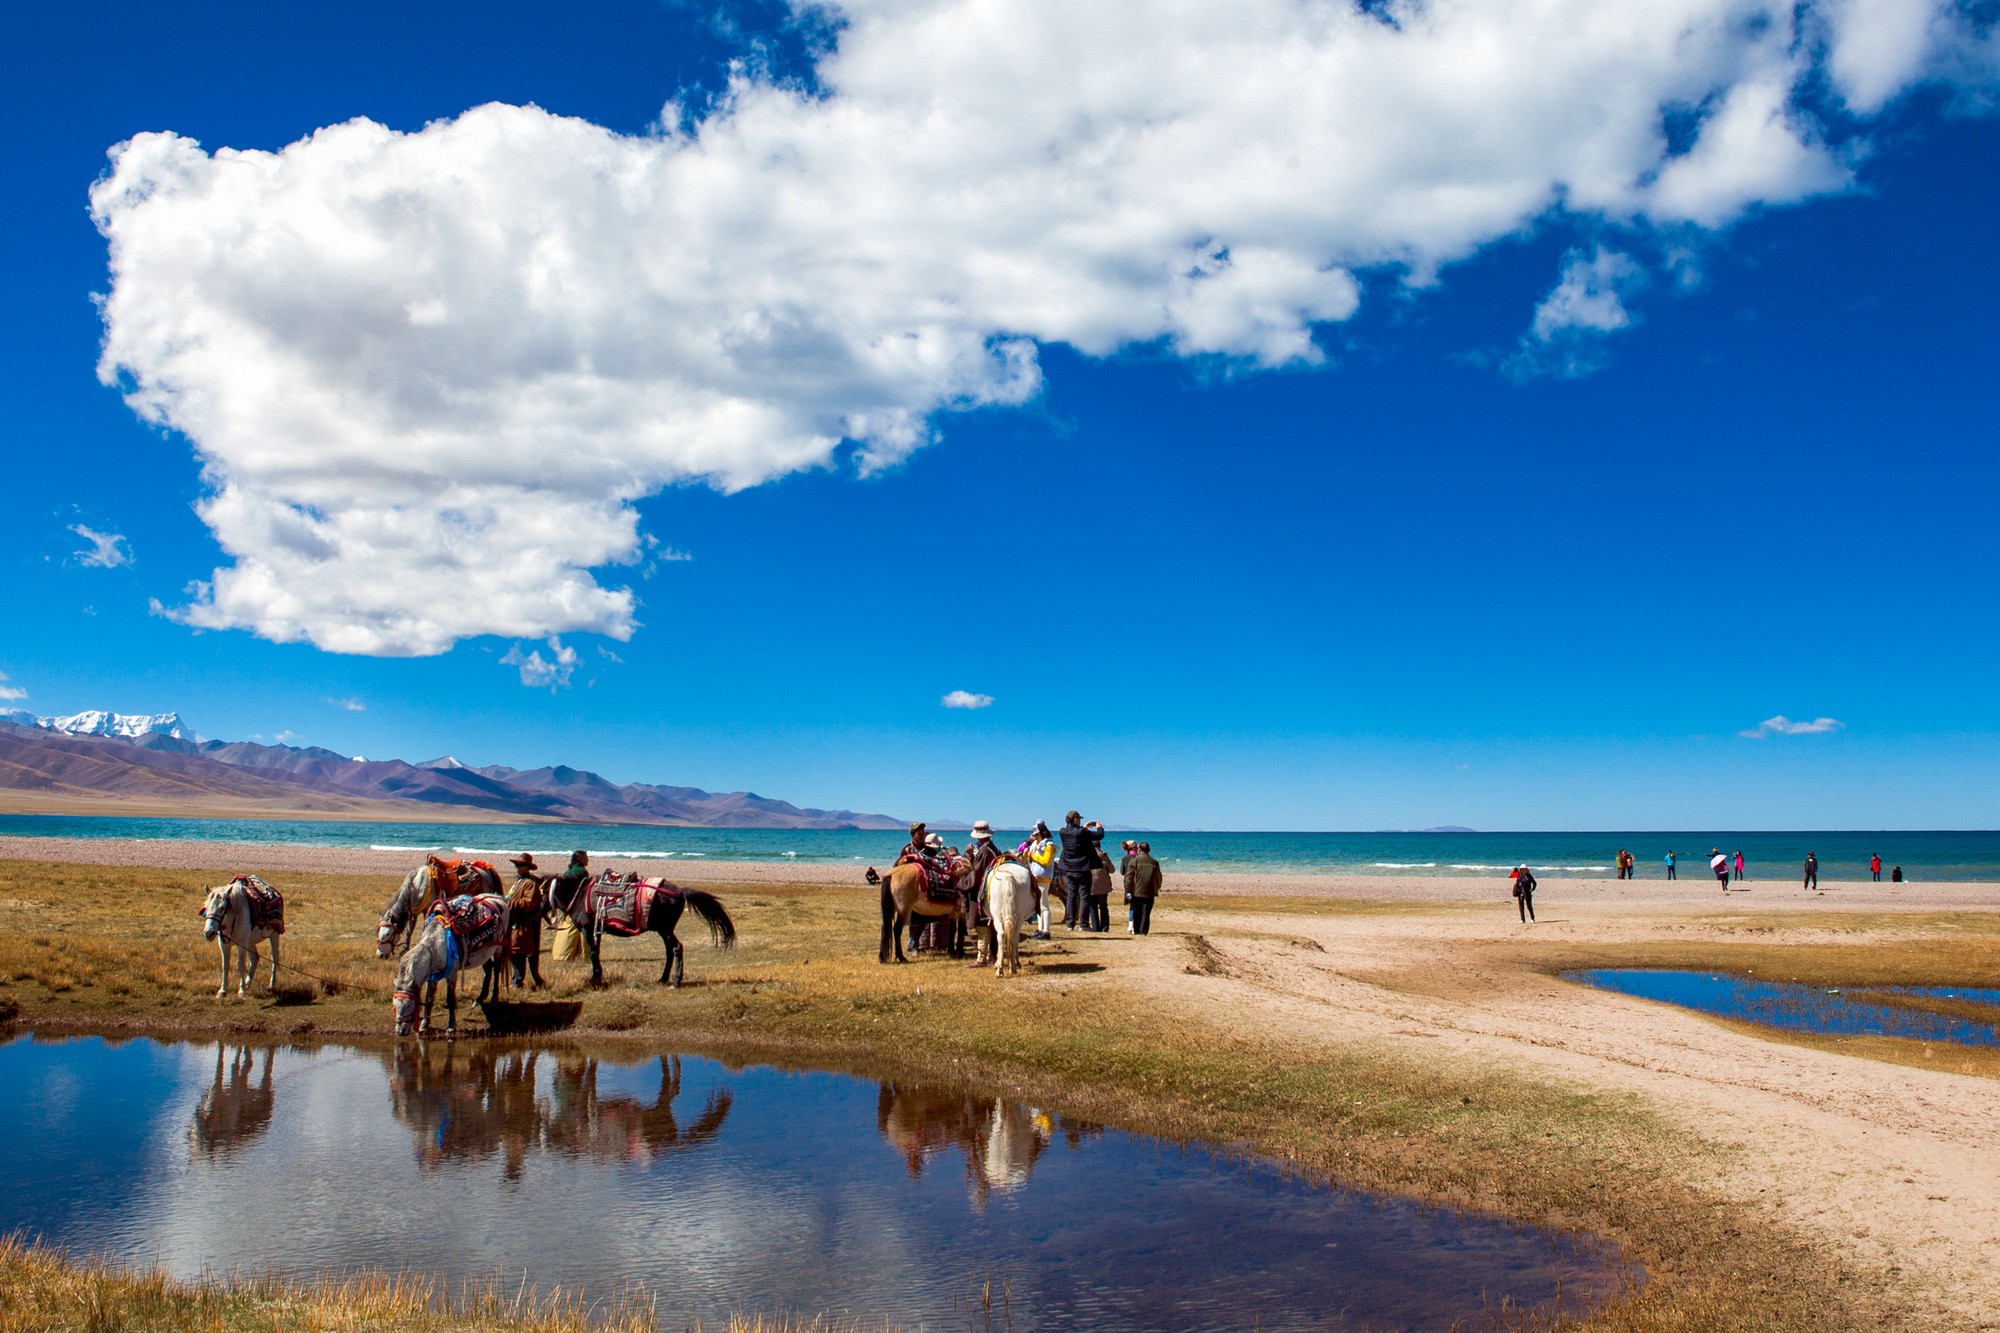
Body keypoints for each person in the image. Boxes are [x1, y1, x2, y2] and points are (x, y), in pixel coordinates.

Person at [1057, 811, 1105, 931]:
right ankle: (1083, 924)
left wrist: (1084, 827)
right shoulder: (1082, 832)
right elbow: (1099, 835)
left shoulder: (1062, 832)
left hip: (1069, 868)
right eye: (1079, 819)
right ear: (1075, 819)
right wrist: (1099, 827)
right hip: (1082, 868)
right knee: (1084, 896)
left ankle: (1070, 923)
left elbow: (1076, 834)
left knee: (1071, 896)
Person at [1128, 841, 1163, 934]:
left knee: (1137, 912)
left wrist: (1128, 890)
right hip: (1149, 891)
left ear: (1139, 849)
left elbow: (1129, 878)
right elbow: (1158, 877)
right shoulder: (1154, 862)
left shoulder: (1133, 861)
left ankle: (1137, 930)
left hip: (1136, 891)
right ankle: (1143, 931)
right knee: (1146, 912)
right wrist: (1157, 887)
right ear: (1149, 850)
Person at [1118, 840, 1138, 931]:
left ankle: (1130, 923)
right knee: (1138, 903)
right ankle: (1135, 923)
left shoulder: (1125, 858)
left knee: (1131, 903)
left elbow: (1122, 872)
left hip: (1127, 883)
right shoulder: (1138, 858)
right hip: (1137, 883)